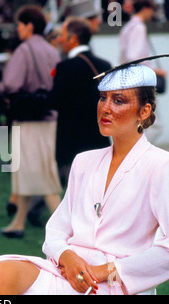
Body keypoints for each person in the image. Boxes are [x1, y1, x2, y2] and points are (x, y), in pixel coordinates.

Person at [0, 59, 169, 295]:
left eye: (119, 100)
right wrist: (67, 256)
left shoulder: (166, 166)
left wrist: (104, 271)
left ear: (144, 112)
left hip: (116, 283)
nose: (106, 108)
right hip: (66, 273)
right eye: (103, 97)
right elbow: (56, 229)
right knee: (3, 271)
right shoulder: (84, 161)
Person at [0, 5, 62, 238]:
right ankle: (18, 223)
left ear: (29, 25)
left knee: (39, 171)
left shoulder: (24, 50)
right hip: (48, 115)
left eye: (19, 25)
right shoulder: (51, 50)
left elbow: (11, 83)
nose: (17, 29)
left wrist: (2, 88)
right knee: (31, 169)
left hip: (28, 118)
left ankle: (65, 228)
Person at [49, 17, 111, 186]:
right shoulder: (105, 64)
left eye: (62, 35)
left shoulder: (65, 67)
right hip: (100, 141)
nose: (59, 39)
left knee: (76, 200)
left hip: (72, 145)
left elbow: (54, 101)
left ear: (73, 38)